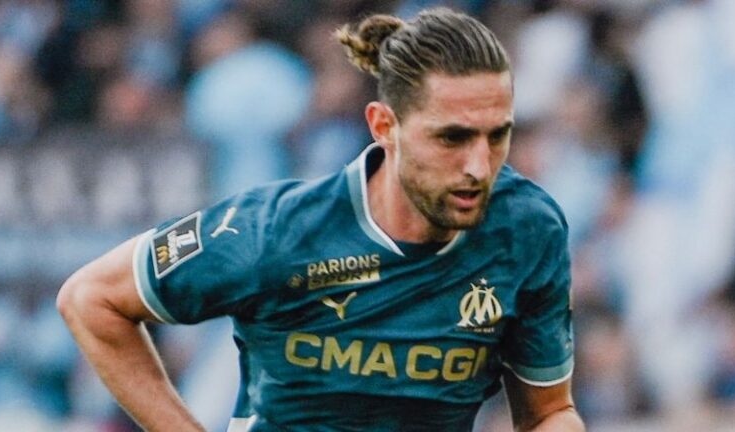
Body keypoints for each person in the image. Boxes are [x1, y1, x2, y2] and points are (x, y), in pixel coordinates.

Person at [57, 8, 584, 432]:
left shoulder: (528, 230)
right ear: (384, 126)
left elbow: (547, 413)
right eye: (452, 137)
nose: (479, 166)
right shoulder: (275, 231)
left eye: (497, 135)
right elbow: (91, 298)